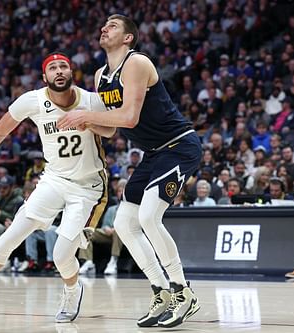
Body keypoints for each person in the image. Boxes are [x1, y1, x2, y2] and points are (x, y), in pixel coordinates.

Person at [0, 53, 114, 323]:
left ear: (71, 71)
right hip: (53, 179)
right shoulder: (33, 100)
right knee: (10, 237)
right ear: (45, 77)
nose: (59, 71)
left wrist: (86, 120)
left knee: (62, 255)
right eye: (52, 68)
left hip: (88, 187)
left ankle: (73, 289)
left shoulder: (91, 99)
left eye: (63, 66)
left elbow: (111, 131)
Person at [57, 15, 201, 328]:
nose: (104, 28)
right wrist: (86, 122)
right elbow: (111, 131)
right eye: (104, 25)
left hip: (179, 145)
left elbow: (130, 117)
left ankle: (183, 291)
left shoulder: (136, 63)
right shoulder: (100, 76)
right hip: (154, 153)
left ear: (128, 38)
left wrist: (86, 113)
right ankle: (161, 291)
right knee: (124, 223)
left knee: (149, 217)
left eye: (113, 25)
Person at [79, 178, 126, 275]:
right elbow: (105, 224)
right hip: (109, 235)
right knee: (85, 232)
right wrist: (107, 228)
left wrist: (115, 229)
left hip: (124, 236)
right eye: (119, 191)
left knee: (119, 231)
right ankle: (88, 262)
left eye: (123, 191)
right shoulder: (112, 209)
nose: (120, 193)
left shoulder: (131, 209)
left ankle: (113, 261)